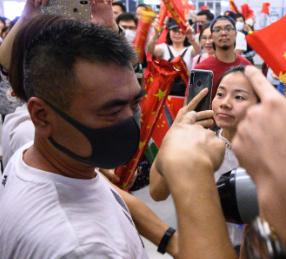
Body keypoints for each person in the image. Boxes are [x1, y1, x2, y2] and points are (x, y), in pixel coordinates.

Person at [0, 7, 177, 258]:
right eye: (111, 111)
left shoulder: (38, 157)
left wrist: (169, 239)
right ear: (40, 115)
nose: (129, 122)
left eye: (134, 104)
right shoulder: (83, 247)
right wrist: (194, 179)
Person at [154, 65, 286, 257]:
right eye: (220, 94)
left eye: (239, 97)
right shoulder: (198, 144)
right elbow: (157, 192)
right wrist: (175, 132)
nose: (225, 103)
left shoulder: (273, 156)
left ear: (259, 105)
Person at [194, 16, 251, 97]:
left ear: (236, 33)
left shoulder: (247, 67)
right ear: (212, 36)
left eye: (228, 29)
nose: (223, 33)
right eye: (217, 30)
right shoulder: (200, 69)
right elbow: (189, 105)